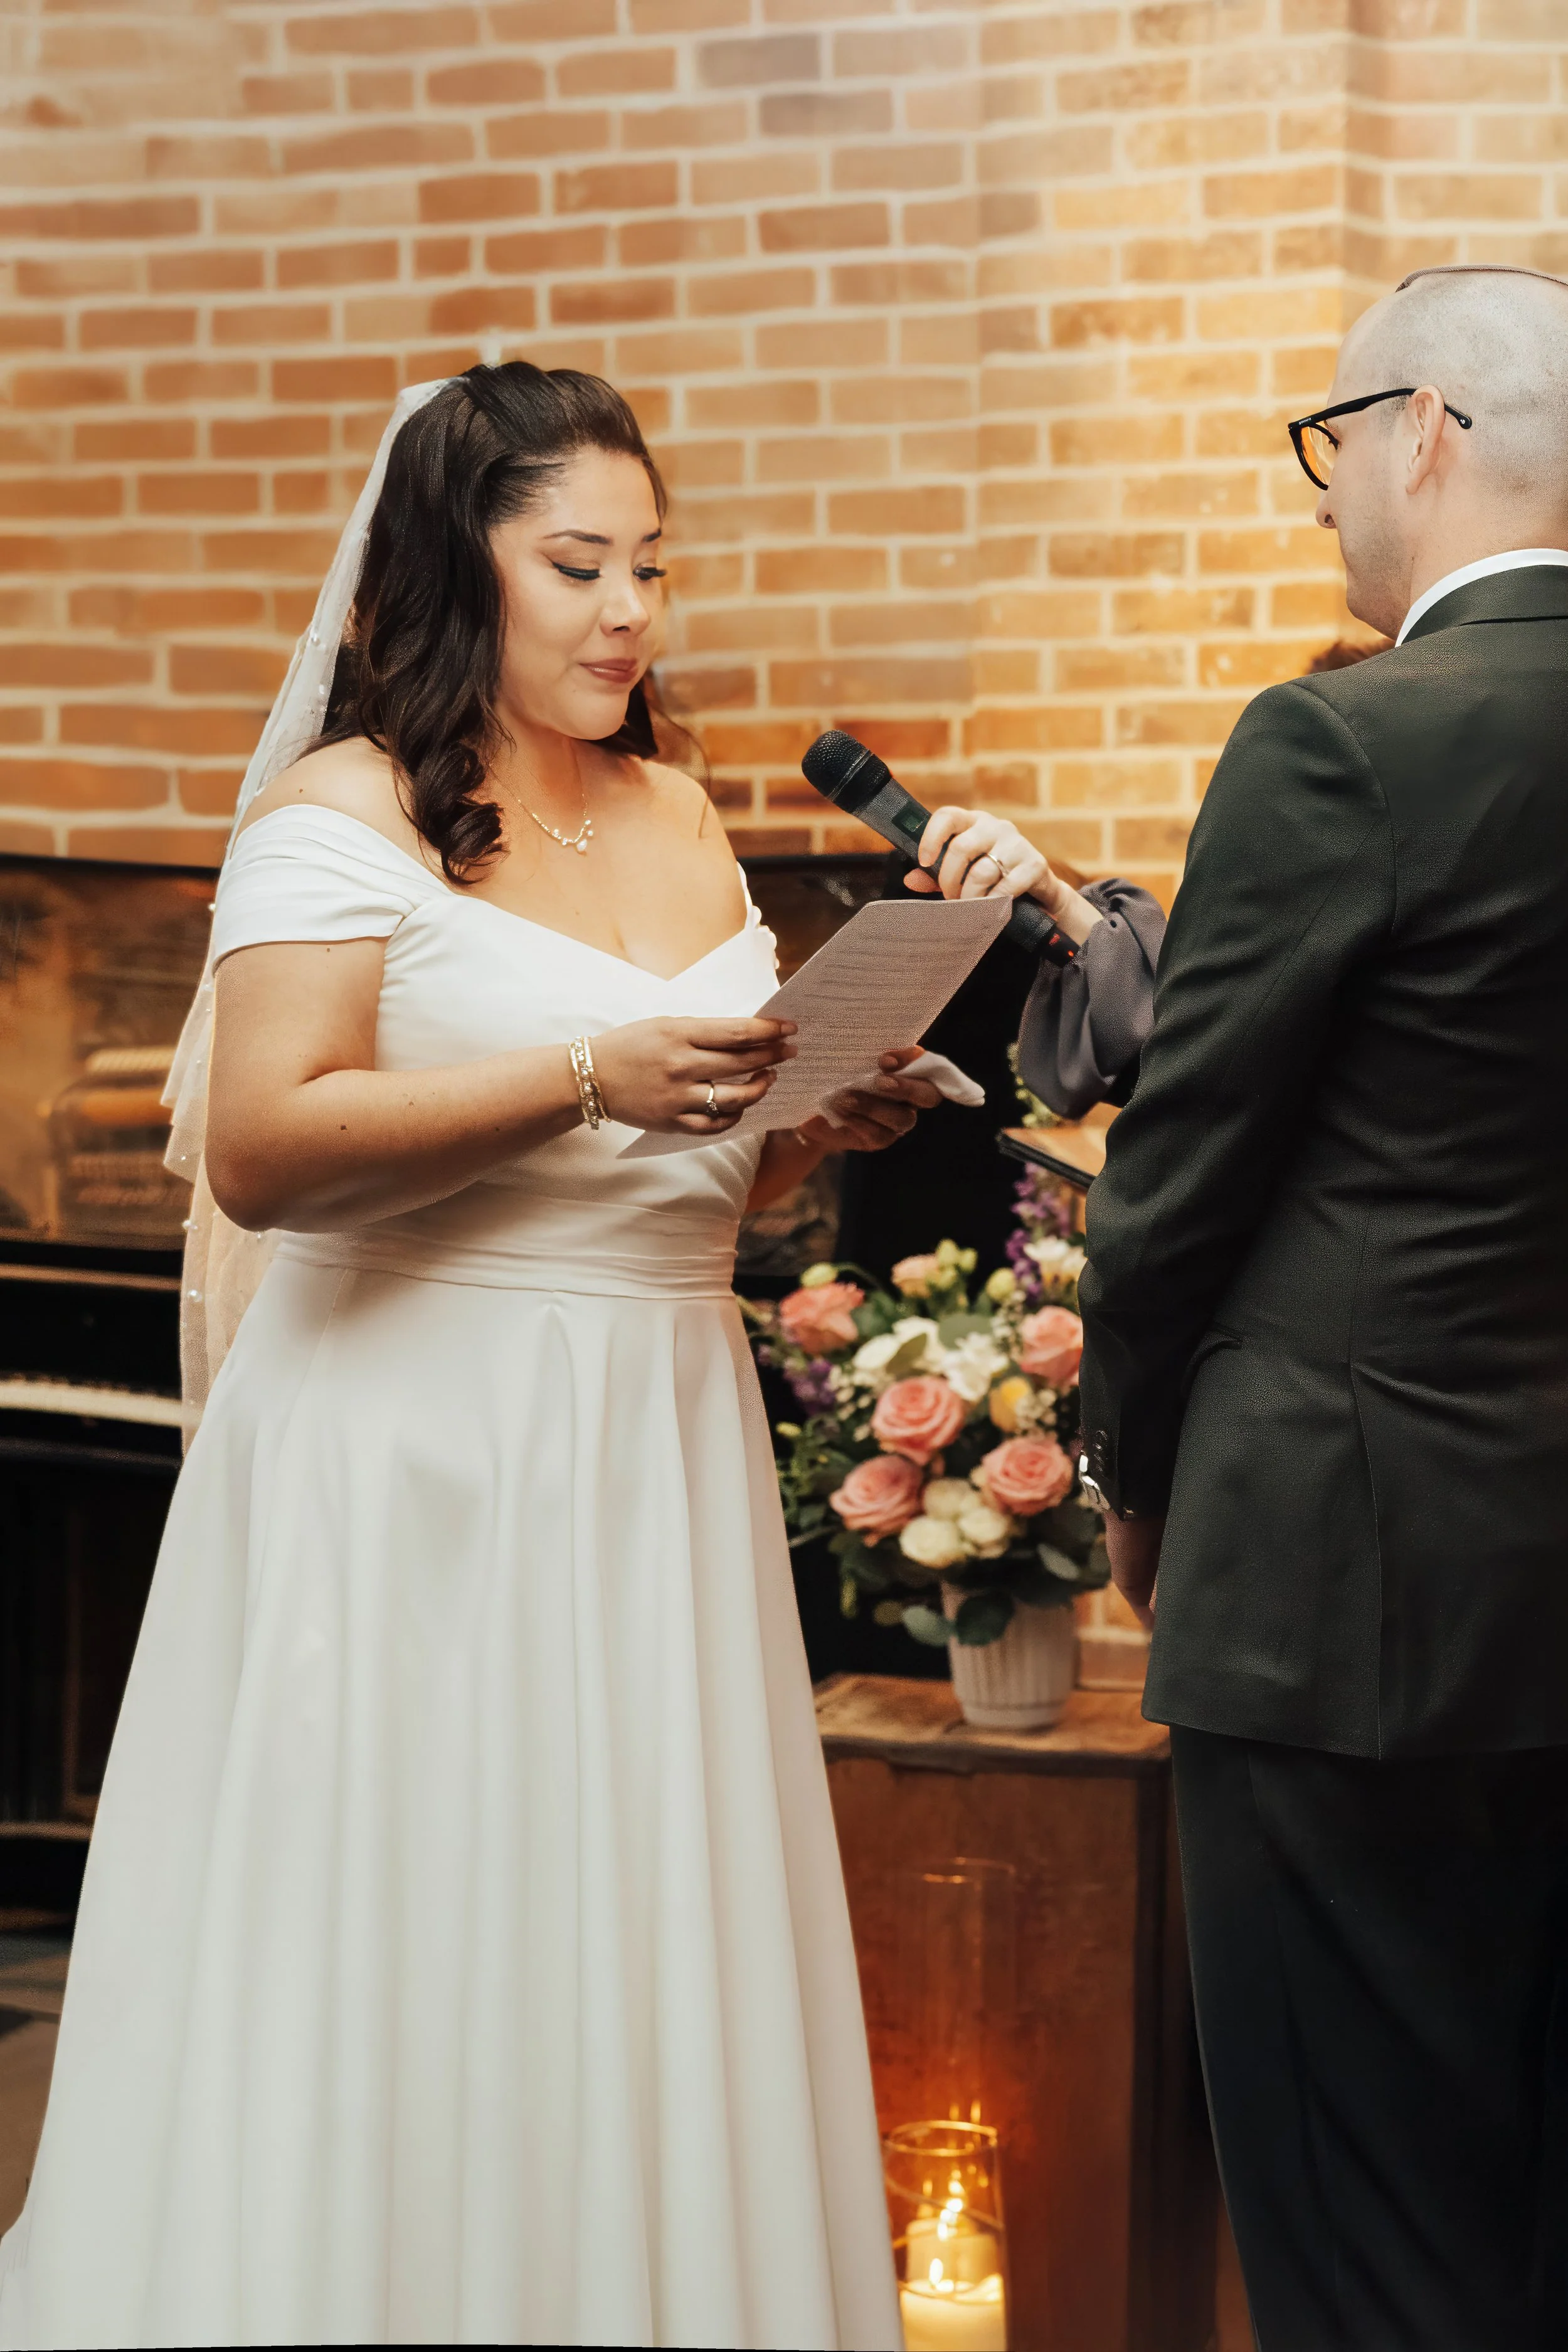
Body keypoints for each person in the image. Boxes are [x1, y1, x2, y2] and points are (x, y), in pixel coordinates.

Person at [0, 364, 930, 2349]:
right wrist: (592, 1070)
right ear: (455, 565)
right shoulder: (339, 816)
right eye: (576, 563)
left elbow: (699, 1192)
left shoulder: (683, 812)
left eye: (651, 568)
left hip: (654, 1457)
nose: (627, 612)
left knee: (630, 1948)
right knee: (415, 1942)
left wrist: (803, 1126)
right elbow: (265, 1142)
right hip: (417, 1463)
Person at [1076, 263, 1568, 2350]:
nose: (1319, 495)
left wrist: (1126, 1456)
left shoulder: (1346, 738)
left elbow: (1182, 1162)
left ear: (1425, 432)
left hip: (1331, 1582)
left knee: (1357, 2214)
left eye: (1330, 438)